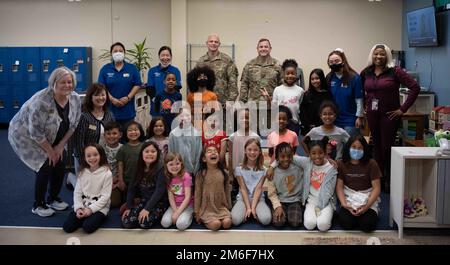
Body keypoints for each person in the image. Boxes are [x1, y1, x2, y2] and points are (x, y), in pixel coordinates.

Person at [8, 66, 81, 217]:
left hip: (55, 134)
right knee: (45, 165)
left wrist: (60, 146)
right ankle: (39, 205)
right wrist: (50, 151)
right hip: (26, 134)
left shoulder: (74, 98)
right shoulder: (41, 101)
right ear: (54, 83)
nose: (68, 86)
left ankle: (53, 198)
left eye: (70, 82)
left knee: (60, 162)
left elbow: (74, 124)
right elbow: (35, 132)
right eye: (63, 82)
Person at [360, 44, 420, 192]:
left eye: (382, 54)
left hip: (389, 116)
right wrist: (364, 106)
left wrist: (402, 109)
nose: (378, 57)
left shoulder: (395, 71)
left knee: (387, 148)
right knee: (376, 147)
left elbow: (415, 87)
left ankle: (389, 179)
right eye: (376, 54)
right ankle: (378, 179)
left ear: (387, 56)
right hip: (373, 115)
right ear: (371, 55)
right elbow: (360, 89)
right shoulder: (366, 72)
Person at [68, 83, 115, 188]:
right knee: (84, 190)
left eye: (103, 95)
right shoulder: (84, 116)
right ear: (90, 97)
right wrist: (84, 162)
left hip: (102, 156)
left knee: (97, 186)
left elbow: (113, 137)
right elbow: (78, 142)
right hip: (85, 156)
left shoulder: (109, 115)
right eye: (97, 95)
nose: (101, 98)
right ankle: (71, 177)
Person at [63, 144, 112, 234]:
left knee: (87, 227)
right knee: (67, 227)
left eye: (95, 155)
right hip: (84, 205)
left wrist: (90, 210)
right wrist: (78, 208)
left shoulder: (107, 173)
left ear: (101, 155)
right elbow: (77, 192)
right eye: (88, 156)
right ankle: (84, 216)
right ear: (84, 158)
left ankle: (101, 216)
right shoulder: (82, 172)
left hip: (99, 207)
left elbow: (105, 197)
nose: (92, 158)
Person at [336, 135, 381, 232]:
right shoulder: (342, 163)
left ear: (365, 149)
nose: (356, 150)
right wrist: (344, 204)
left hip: (367, 196)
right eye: (354, 147)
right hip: (349, 197)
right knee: (347, 223)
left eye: (360, 148)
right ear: (348, 148)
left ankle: (368, 215)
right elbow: (339, 187)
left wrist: (366, 207)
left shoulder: (372, 163)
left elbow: (376, 188)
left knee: (367, 226)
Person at [240, 38, 282, 135]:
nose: (263, 49)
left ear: (270, 48)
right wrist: (242, 104)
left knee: (270, 135)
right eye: (261, 47)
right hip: (253, 107)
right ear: (257, 49)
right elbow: (244, 85)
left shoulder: (277, 65)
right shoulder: (250, 65)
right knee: (252, 135)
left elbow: (281, 86)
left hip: (270, 108)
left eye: (266, 47)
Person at [122, 141, 168, 229]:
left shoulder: (161, 168)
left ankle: (159, 214)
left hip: (159, 203)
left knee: (144, 223)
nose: (150, 154)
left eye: (153, 151)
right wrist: (129, 207)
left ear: (157, 154)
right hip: (144, 201)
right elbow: (132, 188)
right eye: (147, 151)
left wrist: (147, 209)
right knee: (127, 222)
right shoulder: (138, 167)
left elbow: (159, 191)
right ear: (142, 153)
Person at [98, 42, 142, 127]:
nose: (118, 53)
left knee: (127, 135)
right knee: (112, 136)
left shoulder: (132, 68)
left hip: (128, 111)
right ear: (111, 54)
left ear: (124, 53)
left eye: (121, 51)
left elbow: (137, 84)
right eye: (115, 51)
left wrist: (128, 98)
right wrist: (112, 99)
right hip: (110, 111)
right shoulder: (105, 69)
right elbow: (101, 87)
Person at [231, 138, 271, 226]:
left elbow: (258, 189)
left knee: (266, 220)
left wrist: (252, 208)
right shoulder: (239, 169)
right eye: (249, 149)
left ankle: (253, 212)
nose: (252, 152)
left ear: (260, 151)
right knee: (235, 220)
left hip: (258, 198)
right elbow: (243, 189)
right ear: (245, 151)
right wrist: (248, 207)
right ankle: (248, 212)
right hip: (243, 198)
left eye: (255, 150)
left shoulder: (264, 170)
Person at [302, 136, 338, 231]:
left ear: (325, 153)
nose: (317, 156)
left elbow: (330, 191)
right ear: (309, 154)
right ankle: (316, 214)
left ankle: (329, 213)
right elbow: (291, 158)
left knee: (323, 226)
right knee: (309, 225)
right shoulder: (307, 163)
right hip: (311, 201)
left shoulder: (331, 168)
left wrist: (320, 207)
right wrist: (272, 166)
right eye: (313, 153)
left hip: (326, 202)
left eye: (320, 153)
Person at [326, 49, 364, 136]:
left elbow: (359, 99)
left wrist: (359, 117)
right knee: (335, 146)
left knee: (349, 145)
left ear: (343, 61)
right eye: (331, 62)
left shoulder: (354, 77)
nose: (334, 64)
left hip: (350, 119)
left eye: (337, 61)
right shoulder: (329, 77)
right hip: (334, 119)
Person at [194, 145, 232, 231]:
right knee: (216, 224)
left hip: (221, 206)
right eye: (209, 151)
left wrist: (229, 206)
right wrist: (196, 211)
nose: (213, 152)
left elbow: (227, 191)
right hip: (207, 208)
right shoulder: (201, 174)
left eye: (215, 151)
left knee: (227, 223)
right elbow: (197, 193)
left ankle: (221, 217)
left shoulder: (224, 173)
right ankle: (209, 220)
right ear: (204, 159)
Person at [196, 34, 239, 109]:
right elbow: (195, 82)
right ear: (207, 43)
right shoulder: (200, 62)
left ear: (219, 44)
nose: (213, 43)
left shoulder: (227, 60)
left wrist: (231, 101)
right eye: (211, 41)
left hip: (223, 104)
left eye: (216, 42)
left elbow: (233, 82)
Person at [266, 143, 304, 228]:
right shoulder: (272, 172)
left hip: (295, 200)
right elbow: (272, 193)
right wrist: (277, 206)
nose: (286, 159)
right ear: (277, 158)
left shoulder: (299, 167)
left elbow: (311, 161)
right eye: (282, 156)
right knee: (278, 223)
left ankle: (292, 212)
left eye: (289, 156)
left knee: (295, 223)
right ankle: (281, 211)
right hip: (280, 200)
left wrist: (329, 159)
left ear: (293, 156)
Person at [270, 59, 305, 137]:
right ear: (283, 74)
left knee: (292, 145)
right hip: (279, 122)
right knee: (278, 145)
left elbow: (302, 108)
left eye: (292, 73)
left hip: (294, 123)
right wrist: (268, 100)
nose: (290, 76)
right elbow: (274, 107)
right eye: (287, 73)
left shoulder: (300, 90)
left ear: (296, 74)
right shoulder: (277, 89)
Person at [116, 121, 145, 209]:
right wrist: (120, 180)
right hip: (128, 180)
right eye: (130, 130)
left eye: (136, 130)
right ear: (125, 133)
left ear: (140, 131)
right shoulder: (123, 149)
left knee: (140, 198)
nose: (133, 132)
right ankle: (128, 206)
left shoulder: (144, 146)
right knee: (129, 199)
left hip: (142, 179)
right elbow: (120, 165)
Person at [161, 153, 194, 231]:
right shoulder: (168, 177)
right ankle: (179, 215)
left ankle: (190, 215)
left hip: (187, 205)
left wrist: (178, 213)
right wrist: (175, 211)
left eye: (177, 163)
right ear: (166, 166)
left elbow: (187, 197)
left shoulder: (186, 176)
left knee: (180, 225)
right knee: (165, 223)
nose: (174, 167)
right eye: (171, 164)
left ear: (181, 164)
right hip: (175, 205)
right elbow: (171, 197)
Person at [147, 46, 182, 117]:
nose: (165, 58)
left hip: (172, 107)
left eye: (167, 55)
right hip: (156, 107)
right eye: (163, 55)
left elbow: (177, 89)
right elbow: (150, 90)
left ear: (171, 57)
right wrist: (159, 102)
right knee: (158, 127)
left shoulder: (176, 70)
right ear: (159, 57)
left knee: (172, 127)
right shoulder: (152, 71)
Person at [168, 107, 203, 177]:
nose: (185, 118)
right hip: (177, 171)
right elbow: (171, 152)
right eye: (182, 116)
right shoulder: (173, 134)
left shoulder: (196, 133)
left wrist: (196, 172)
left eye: (187, 115)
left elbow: (199, 153)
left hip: (192, 171)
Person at [300, 69, 333, 136]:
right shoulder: (307, 94)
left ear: (321, 79)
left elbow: (330, 111)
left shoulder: (327, 94)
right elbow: (302, 112)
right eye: (312, 79)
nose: (315, 81)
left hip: (324, 127)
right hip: (309, 129)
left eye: (317, 78)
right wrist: (308, 125)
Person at [186, 66, 220, 131]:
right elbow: (188, 111)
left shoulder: (212, 95)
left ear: (209, 79)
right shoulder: (190, 95)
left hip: (208, 125)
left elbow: (215, 113)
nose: (202, 79)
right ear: (194, 79)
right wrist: (192, 123)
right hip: (194, 125)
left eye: (204, 77)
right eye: (200, 77)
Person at [102, 121, 123, 208]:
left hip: (117, 180)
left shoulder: (123, 148)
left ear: (120, 135)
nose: (111, 136)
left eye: (114, 133)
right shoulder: (101, 148)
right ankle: (71, 177)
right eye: (108, 133)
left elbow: (123, 168)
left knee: (114, 203)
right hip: (104, 180)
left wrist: (118, 181)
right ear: (104, 135)